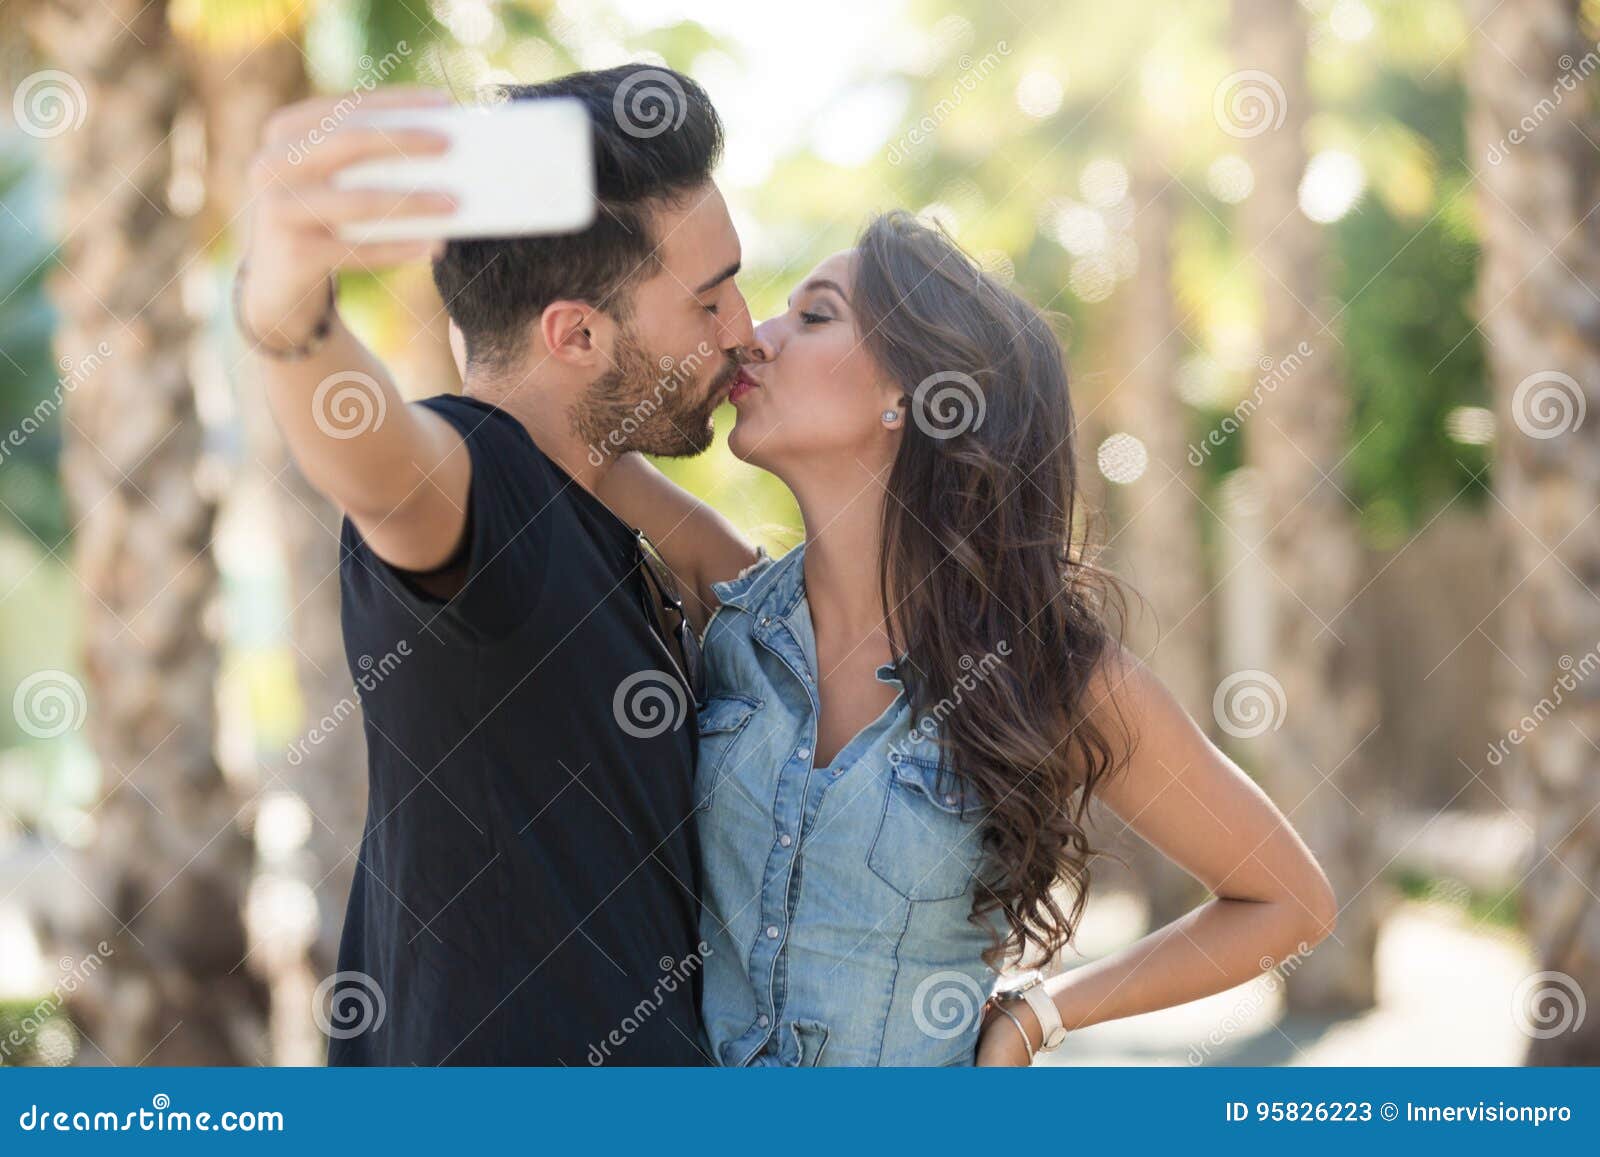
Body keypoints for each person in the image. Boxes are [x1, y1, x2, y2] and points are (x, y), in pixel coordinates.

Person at [595, 210, 1340, 1066]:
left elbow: (1287, 901)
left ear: (907, 396)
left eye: (814, 316)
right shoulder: (732, 603)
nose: (754, 340)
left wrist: (1037, 1015)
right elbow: (554, 410)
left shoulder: (1049, 671)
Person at [236, 65, 754, 1064]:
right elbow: (379, 464)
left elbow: (774, 605)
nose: (745, 330)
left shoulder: (592, 514)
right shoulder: (482, 490)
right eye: (709, 302)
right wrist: (284, 310)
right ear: (577, 333)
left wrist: (618, 458)